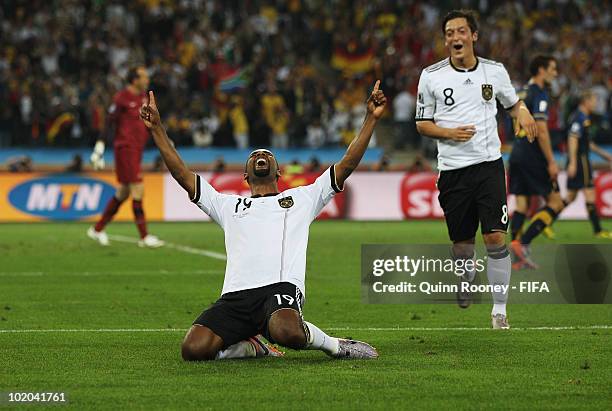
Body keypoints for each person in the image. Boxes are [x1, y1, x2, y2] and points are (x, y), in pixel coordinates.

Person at [139, 81, 386, 361]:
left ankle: (335, 346)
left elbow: (346, 164)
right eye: (254, 155)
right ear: (245, 175)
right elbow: (182, 174)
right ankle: (253, 346)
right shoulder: (227, 204)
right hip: (235, 297)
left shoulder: (302, 199)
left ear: (278, 171)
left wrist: (370, 119)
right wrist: (158, 129)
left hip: (278, 291)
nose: (260, 155)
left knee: (289, 332)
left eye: (266, 154)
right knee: (193, 349)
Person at [415, 10, 538, 329]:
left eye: (460, 31)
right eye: (449, 33)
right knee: (463, 245)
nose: (454, 38)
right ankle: (465, 274)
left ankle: (500, 310)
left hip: (489, 168)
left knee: (496, 238)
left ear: (474, 36)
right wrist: (448, 133)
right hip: (453, 171)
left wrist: (522, 112)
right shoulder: (431, 76)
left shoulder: (494, 72)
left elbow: (513, 105)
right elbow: (422, 124)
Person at [87, 66, 164, 248]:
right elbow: (109, 121)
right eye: (144, 77)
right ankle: (144, 237)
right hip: (125, 149)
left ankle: (97, 229)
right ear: (134, 79)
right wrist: (100, 145)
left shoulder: (144, 97)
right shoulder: (122, 97)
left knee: (123, 192)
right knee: (138, 189)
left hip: (137, 150)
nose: (147, 79)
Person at [508, 56, 563, 269]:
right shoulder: (539, 93)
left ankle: (517, 259)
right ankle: (524, 243)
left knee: (521, 205)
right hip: (532, 154)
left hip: (517, 153)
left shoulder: (520, 92)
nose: (555, 73)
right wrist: (551, 161)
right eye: (552, 69)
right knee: (556, 202)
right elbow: (540, 129)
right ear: (541, 70)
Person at [565, 91, 612, 237]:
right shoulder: (580, 117)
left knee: (570, 197)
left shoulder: (581, 117)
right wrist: (573, 162)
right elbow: (572, 138)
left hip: (579, 159)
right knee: (589, 192)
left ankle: (545, 218)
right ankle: (598, 231)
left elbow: (588, 143)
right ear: (585, 101)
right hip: (580, 160)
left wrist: (605, 156)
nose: (595, 103)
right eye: (594, 100)